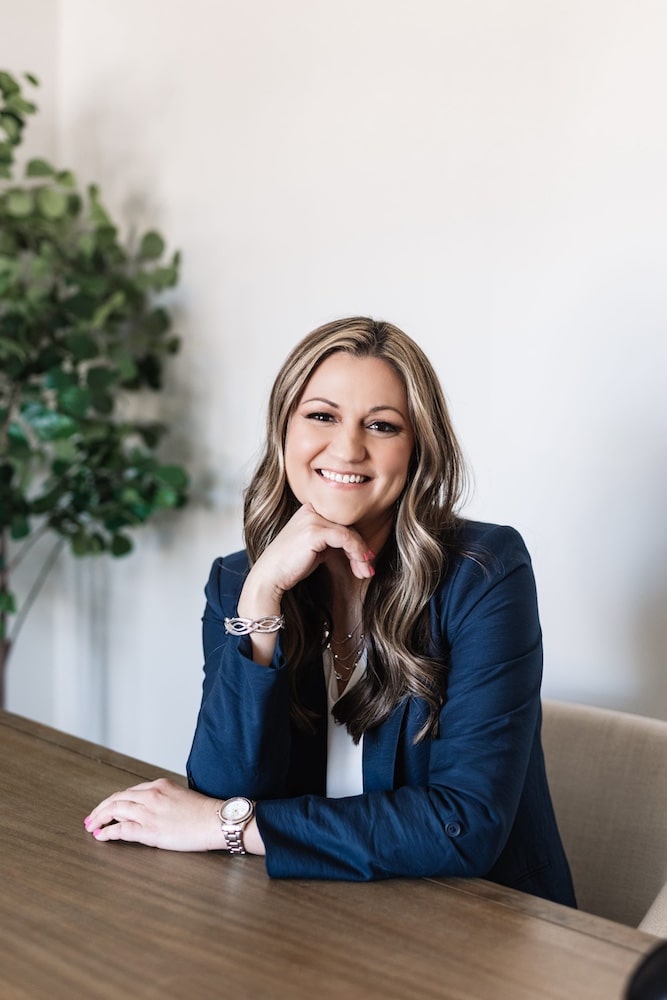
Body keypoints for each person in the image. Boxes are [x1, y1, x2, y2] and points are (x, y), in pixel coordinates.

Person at [85, 316, 576, 904]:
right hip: (311, 912)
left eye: (382, 425)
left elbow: (463, 825)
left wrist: (229, 825)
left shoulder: (484, 572)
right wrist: (262, 603)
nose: (347, 447)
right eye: (321, 416)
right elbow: (224, 784)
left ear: (418, 447)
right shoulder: (239, 580)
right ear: (284, 431)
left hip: (474, 926)